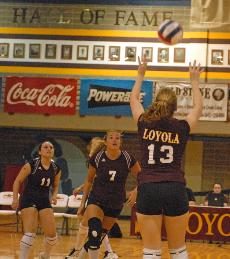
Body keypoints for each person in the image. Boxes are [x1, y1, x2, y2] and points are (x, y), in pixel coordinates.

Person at [130, 57, 203, 259]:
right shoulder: (181, 127)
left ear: (156, 102)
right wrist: (195, 81)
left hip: (149, 187)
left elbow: (133, 99)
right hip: (175, 187)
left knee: (151, 251)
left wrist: (141, 73)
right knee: (178, 249)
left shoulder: (144, 123)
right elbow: (198, 108)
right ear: (175, 107)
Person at [72, 130, 140, 259]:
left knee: (96, 238)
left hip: (115, 203)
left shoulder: (127, 158)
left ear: (121, 142)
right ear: (106, 141)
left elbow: (142, 177)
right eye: (111, 137)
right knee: (94, 232)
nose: (114, 140)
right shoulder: (97, 158)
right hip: (96, 200)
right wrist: (82, 204)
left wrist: (136, 191)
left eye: (117, 138)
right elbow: (89, 180)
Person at [66, 137, 120, 259]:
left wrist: (81, 190)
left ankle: (77, 251)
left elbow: (94, 179)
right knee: (94, 227)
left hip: (99, 198)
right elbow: (91, 179)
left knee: (88, 226)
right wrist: (81, 188)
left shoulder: (101, 159)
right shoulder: (97, 158)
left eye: (94, 143)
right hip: (98, 196)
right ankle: (108, 252)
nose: (92, 144)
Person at [11, 141, 61, 259]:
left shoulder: (56, 168)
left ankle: (45, 255)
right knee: (30, 234)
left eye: (51, 147)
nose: (49, 149)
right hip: (29, 199)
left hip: (44, 200)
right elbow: (17, 181)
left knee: (52, 237)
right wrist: (15, 199)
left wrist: (54, 195)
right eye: (45, 147)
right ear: (40, 151)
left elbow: (56, 185)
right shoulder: (31, 165)